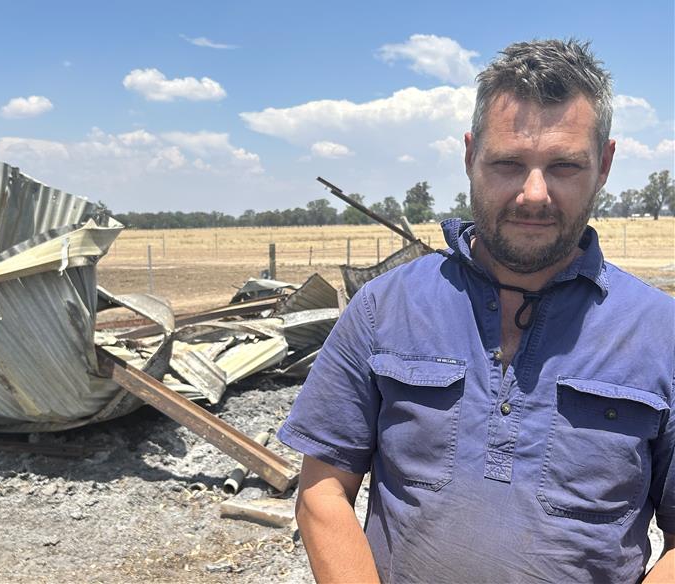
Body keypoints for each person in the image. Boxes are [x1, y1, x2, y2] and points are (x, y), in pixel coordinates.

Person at [277, 39, 674, 583]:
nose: (534, 194)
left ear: (604, 165)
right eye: (509, 163)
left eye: (563, 166)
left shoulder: (660, 334)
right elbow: (322, 491)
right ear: (469, 156)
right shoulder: (383, 310)